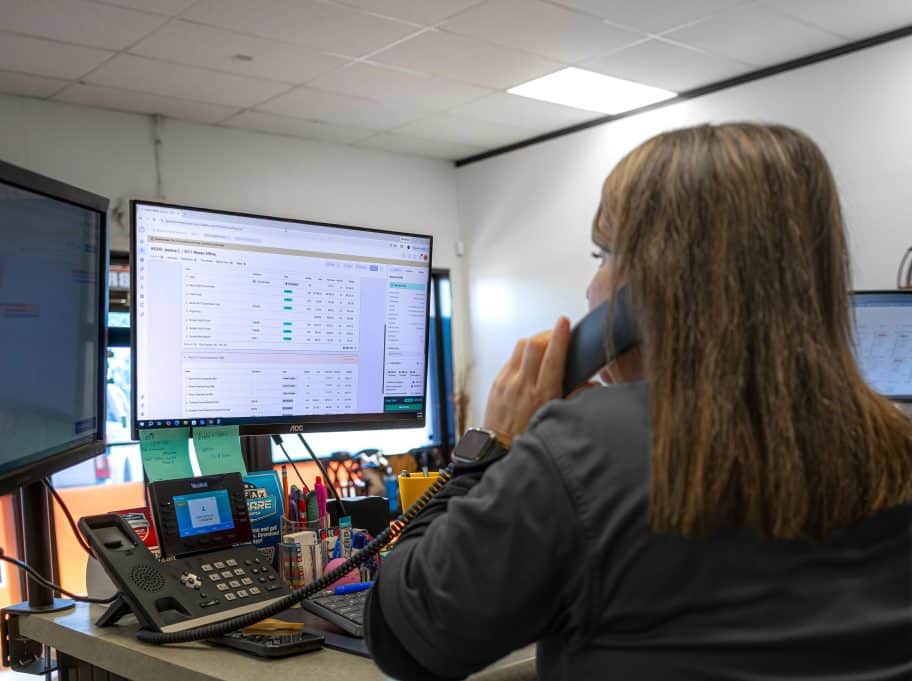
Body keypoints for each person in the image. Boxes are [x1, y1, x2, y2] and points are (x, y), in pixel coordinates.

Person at [364, 123, 912, 680]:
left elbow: (405, 636)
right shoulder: (896, 443)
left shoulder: (584, 445)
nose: (590, 290)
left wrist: (490, 445)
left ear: (658, 283)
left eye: (604, 257)